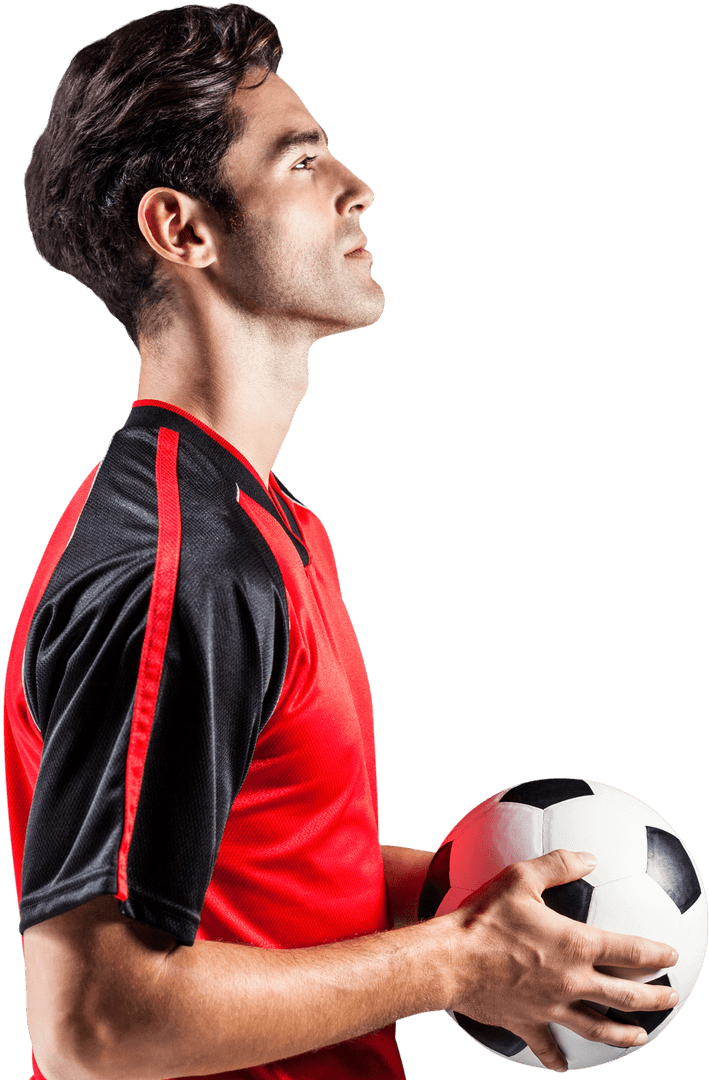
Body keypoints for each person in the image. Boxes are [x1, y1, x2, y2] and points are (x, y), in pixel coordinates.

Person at [4, 5, 679, 1080]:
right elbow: (94, 1023)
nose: (356, 186)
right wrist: (455, 963)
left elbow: (255, 863)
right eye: (303, 159)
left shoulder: (261, 523)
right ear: (183, 230)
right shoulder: (181, 569)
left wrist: (478, 893)